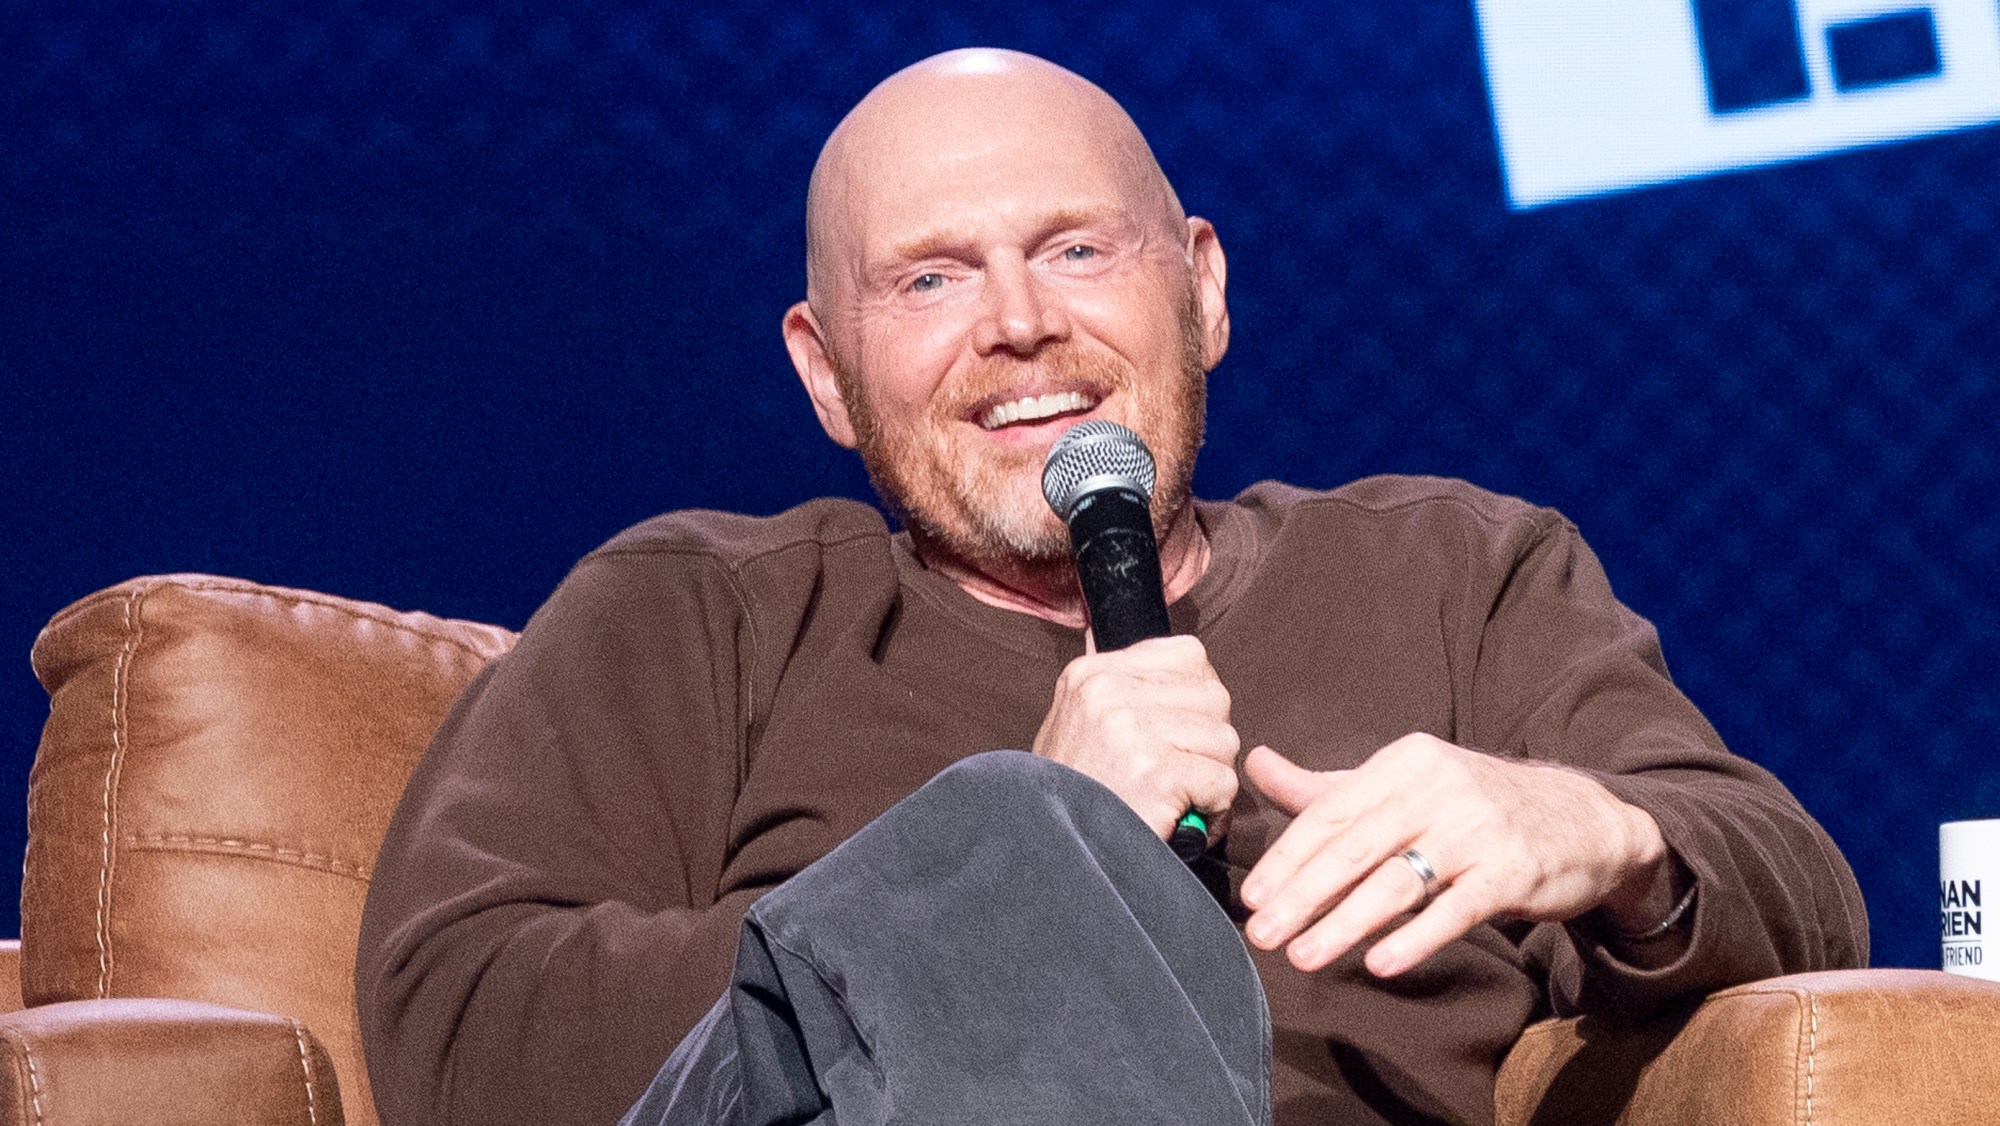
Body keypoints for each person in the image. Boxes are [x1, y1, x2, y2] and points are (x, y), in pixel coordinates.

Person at [355, 49, 1866, 1126]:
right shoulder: (697, 612)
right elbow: (460, 1023)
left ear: (1201, 290)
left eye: (1076, 250)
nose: (1020, 322)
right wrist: (1001, 867)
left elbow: (1805, 902)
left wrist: (1600, 830)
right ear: (825, 373)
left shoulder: (1451, 572)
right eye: (931, 278)